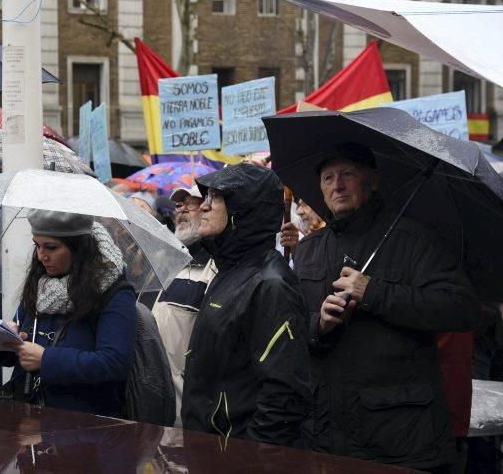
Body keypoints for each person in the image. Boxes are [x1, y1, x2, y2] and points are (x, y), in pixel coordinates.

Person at [293, 143, 478, 471]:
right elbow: (290, 326)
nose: (337, 185)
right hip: (324, 436)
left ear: (373, 180)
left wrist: (374, 292)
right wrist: (317, 326)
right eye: (328, 178)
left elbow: (460, 307)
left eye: (348, 175)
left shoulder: (414, 239)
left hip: (400, 439)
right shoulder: (308, 250)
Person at [181, 164, 311, 447]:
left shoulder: (270, 284)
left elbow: (283, 396)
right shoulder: (229, 272)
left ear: (243, 208)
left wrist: (249, 458)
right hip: (208, 453)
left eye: (215, 197)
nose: (203, 207)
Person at [0, 210, 137, 417]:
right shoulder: (40, 284)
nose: (41, 256)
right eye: (37, 245)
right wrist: (5, 341)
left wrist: (46, 359)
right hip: (28, 421)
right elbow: (17, 351)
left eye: (51, 247)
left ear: (79, 249)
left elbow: (114, 363)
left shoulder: (114, 293)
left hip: (84, 428)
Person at [152, 185, 214, 426]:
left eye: (192, 203)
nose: (183, 211)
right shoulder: (165, 261)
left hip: (188, 413)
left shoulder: (216, 268)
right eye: (179, 205)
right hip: (154, 405)